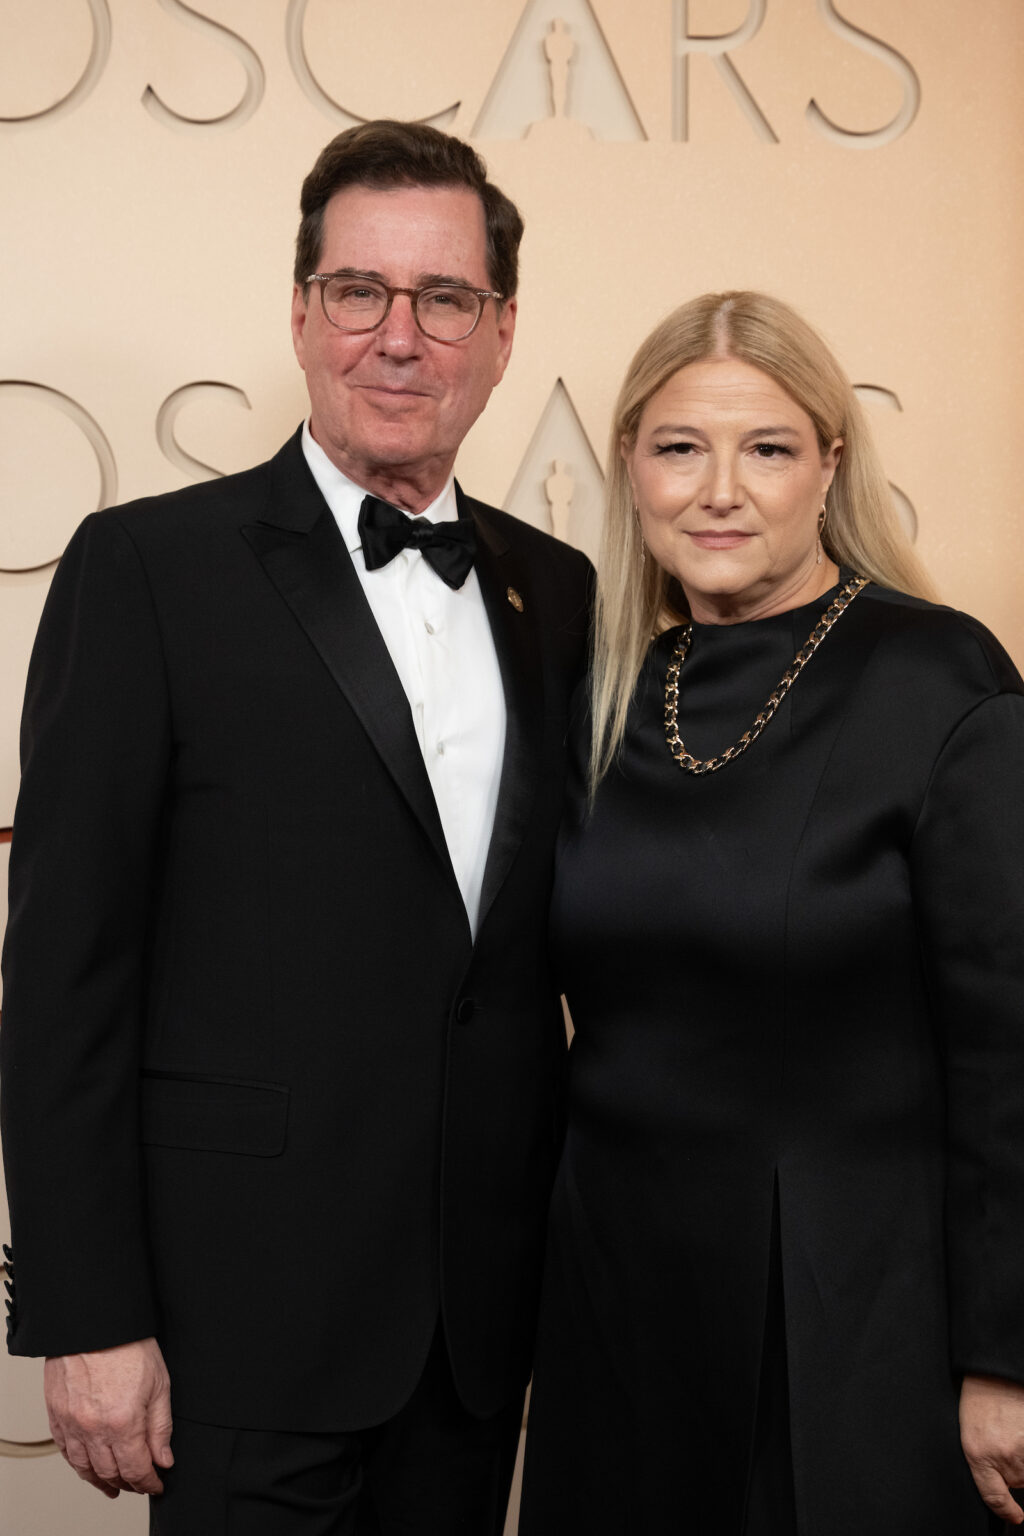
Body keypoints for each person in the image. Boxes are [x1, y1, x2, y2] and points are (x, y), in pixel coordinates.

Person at [0, 120, 591, 1534]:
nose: (400, 336)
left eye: (445, 299)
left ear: (501, 333)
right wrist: (87, 1313)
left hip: (475, 1329)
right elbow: (65, 975)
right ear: (301, 313)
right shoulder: (147, 569)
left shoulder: (559, 591)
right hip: (236, 1326)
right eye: (358, 292)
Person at [519, 290, 1024, 1534]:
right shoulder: (594, 691)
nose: (719, 492)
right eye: (680, 447)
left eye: (769, 449)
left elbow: (1011, 1044)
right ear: (629, 463)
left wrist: (1005, 1354)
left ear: (830, 466)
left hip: (854, 1313)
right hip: (619, 1302)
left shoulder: (935, 677)